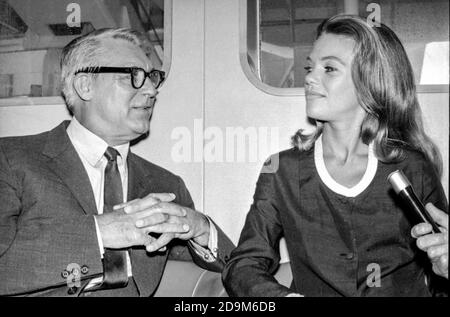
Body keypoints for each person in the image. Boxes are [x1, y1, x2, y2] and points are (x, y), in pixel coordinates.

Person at [222, 15, 448, 297]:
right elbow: (243, 265)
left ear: (371, 83)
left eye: (329, 68)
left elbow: (440, 277)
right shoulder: (281, 170)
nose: (309, 78)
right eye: (309, 67)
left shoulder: (413, 168)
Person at [0, 28, 234, 296]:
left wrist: (202, 228)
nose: (150, 90)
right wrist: (99, 233)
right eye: (132, 76)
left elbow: (241, 273)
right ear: (85, 86)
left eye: (152, 77)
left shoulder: (165, 185)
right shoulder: (10, 159)